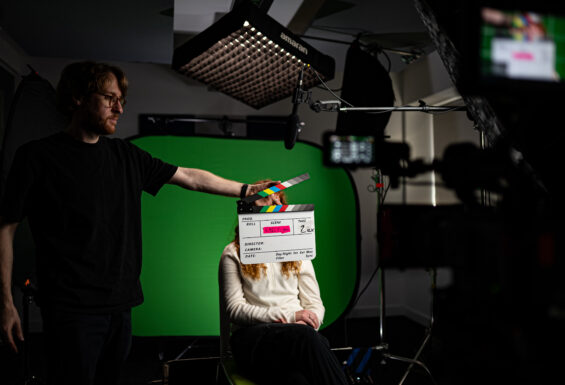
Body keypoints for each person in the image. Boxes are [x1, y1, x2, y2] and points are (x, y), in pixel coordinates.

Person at [0, 61, 277, 385]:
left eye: (122, 100)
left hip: (121, 304)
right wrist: (5, 301)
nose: (118, 108)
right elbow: (5, 228)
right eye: (109, 98)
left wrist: (247, 190)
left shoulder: (127, 156)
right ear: (77, 97)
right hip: (69, 309)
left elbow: (189, 176)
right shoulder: (36, 157)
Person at [219, 181, 349, 385]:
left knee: (298, 380)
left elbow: (314, 303)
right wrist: (291, 318)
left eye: (278, 198)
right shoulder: (233, 253)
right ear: (251, 205)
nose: (273, 202)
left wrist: (305, 323)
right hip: (252, 340)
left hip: (297, 338)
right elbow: (234, 310)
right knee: (309, 340)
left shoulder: (298, 250)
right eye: (265, 198)